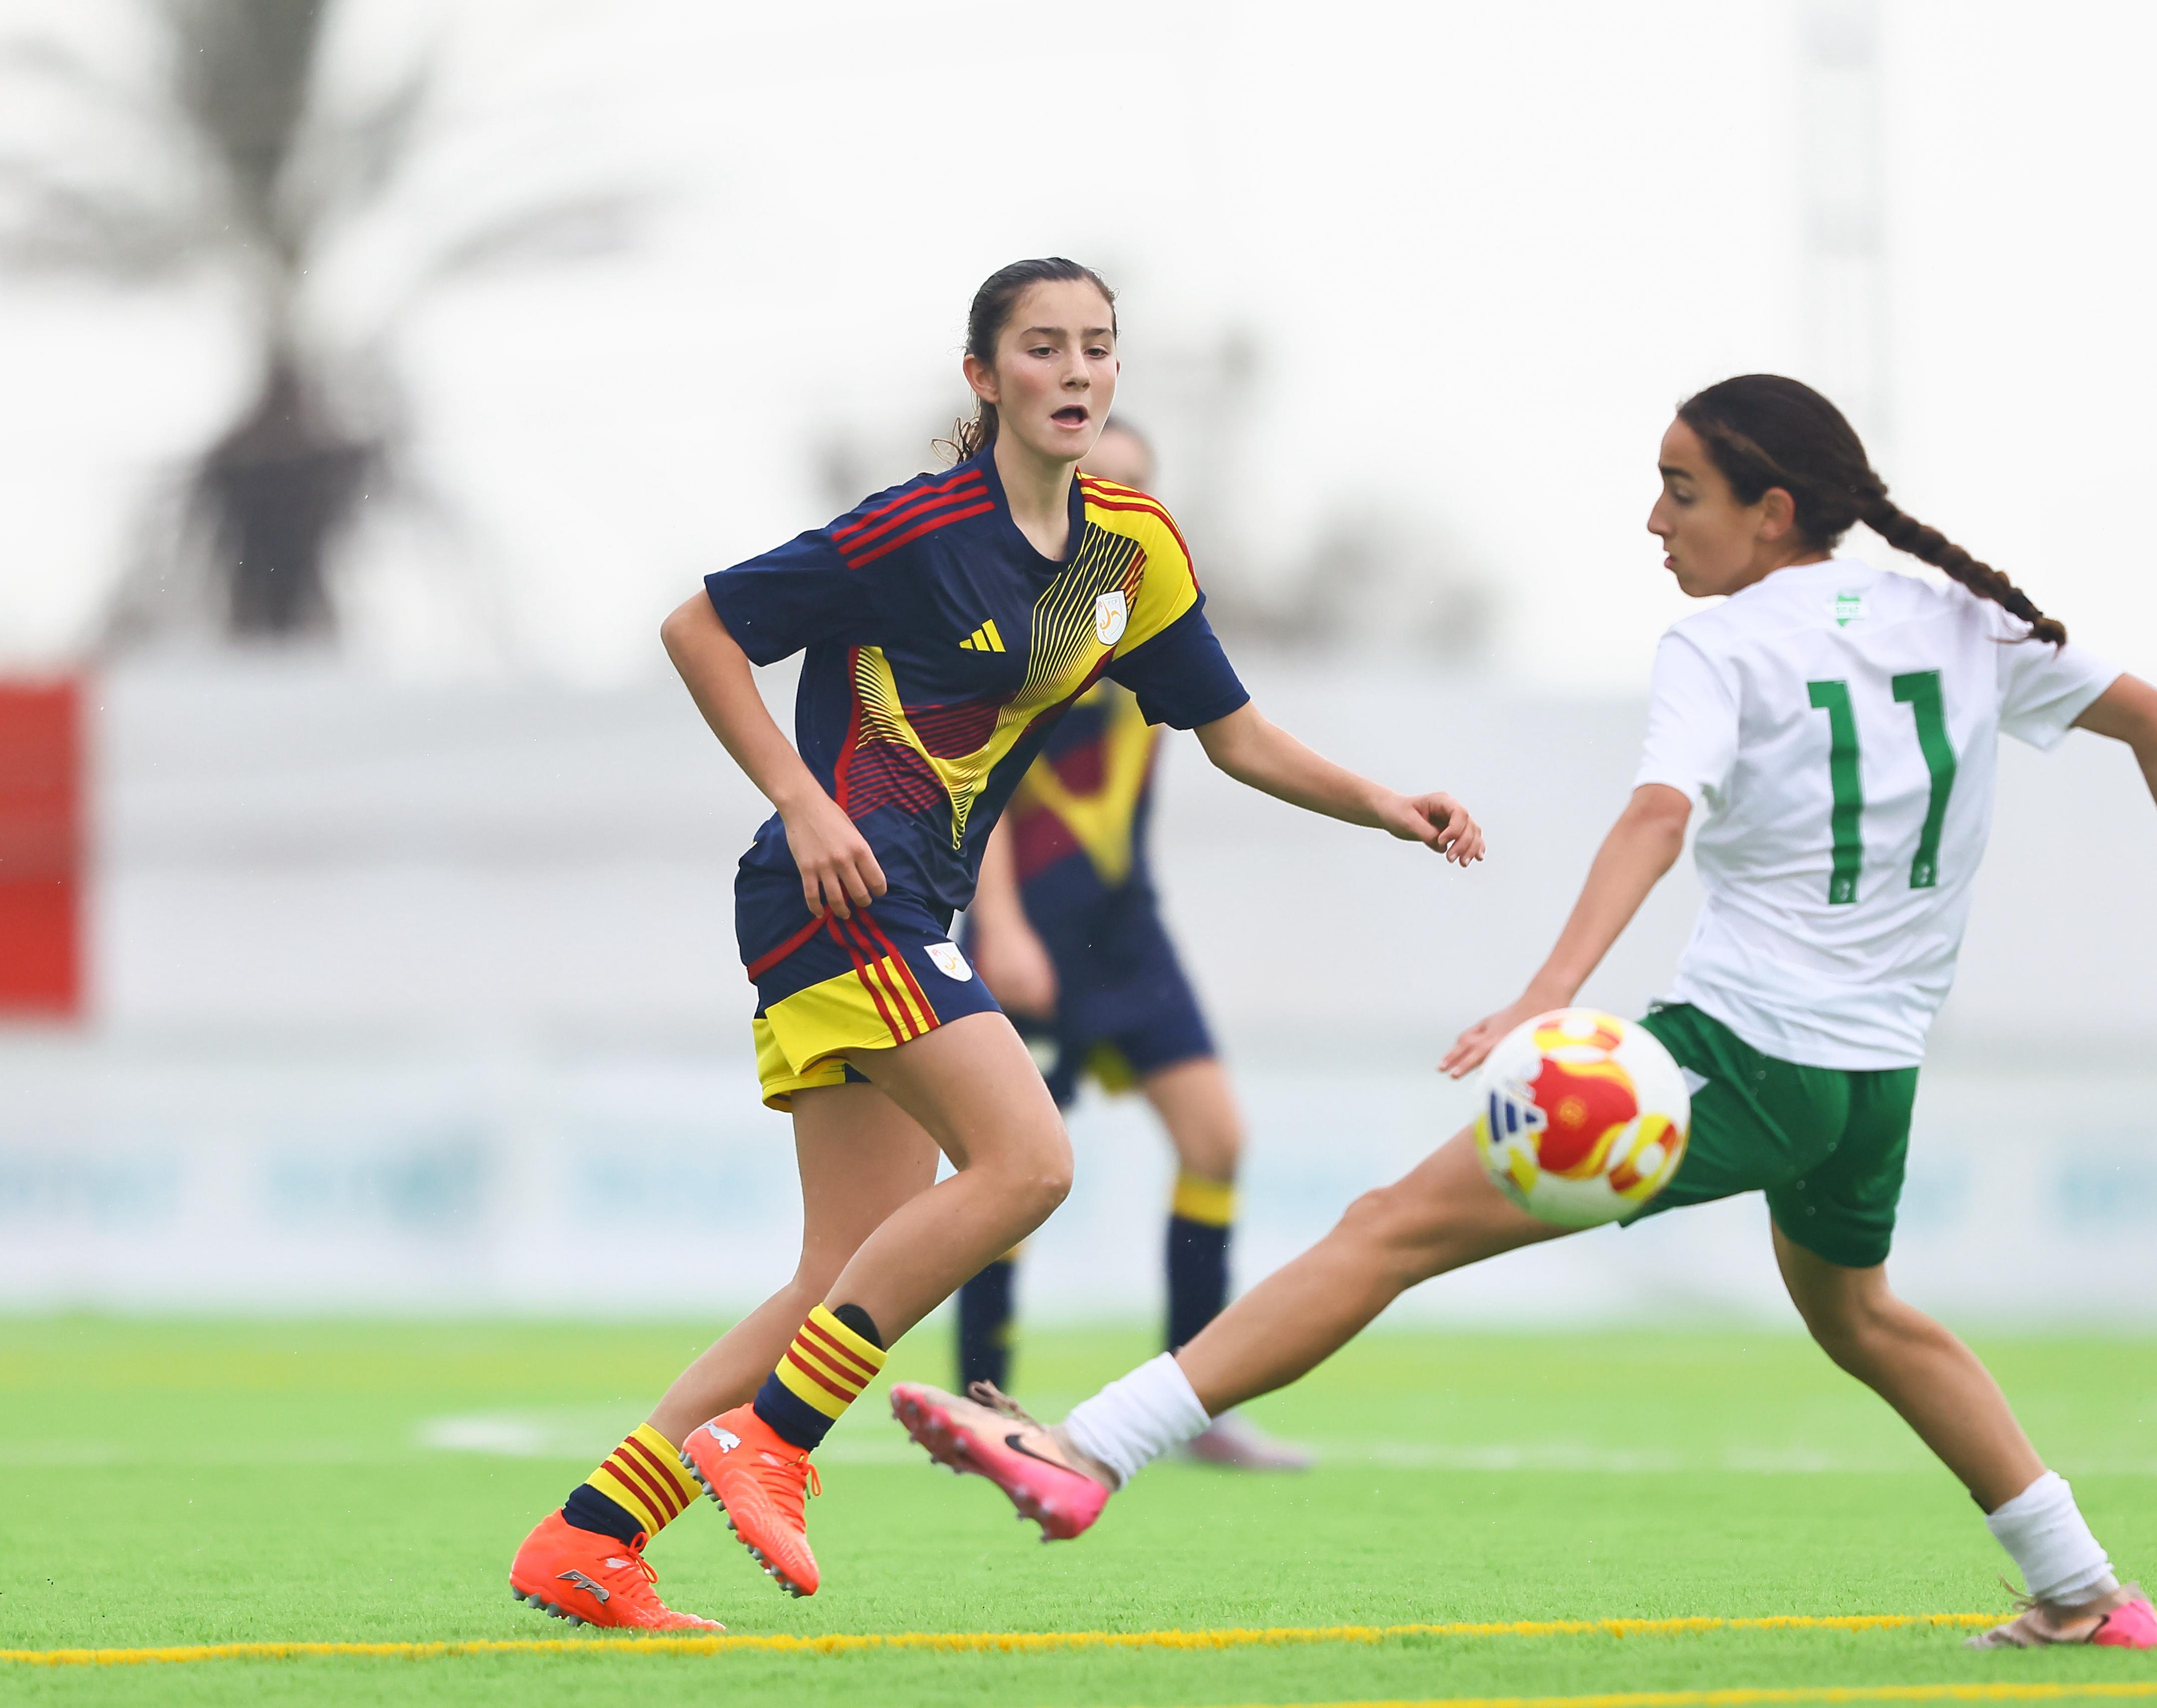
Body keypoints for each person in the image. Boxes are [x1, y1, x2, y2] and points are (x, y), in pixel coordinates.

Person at [888, 374, 2157, 1652]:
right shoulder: (1964, 619)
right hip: (1872, 1078)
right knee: (1860, 1313)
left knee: (1386, 1228)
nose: (1656, 521)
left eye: (1682, 490)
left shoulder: (1722, 643)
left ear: (1771, 511)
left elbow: (1657, 816)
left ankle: (1092, 1448)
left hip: (1737, 1055)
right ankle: (2083, 1588)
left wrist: (1547, 997)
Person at [504, 258, 1483, 1630]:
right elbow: (699, 627)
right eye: (1042, 346)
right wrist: (802, 800)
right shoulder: (916, 528)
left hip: (904, 906)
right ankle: (772, 1439)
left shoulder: (1132, 548)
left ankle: (592, 1535)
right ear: (983, 375)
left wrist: (1383, 802)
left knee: (835, 1276)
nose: (1075, 370)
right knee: (1030, 1161)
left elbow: (1237, 733)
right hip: (842, 893)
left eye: (1098, 345)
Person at [957, 419, 1311, 1472]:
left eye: (1138, 485)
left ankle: (1191, 1404)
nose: (1115, 500)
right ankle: (982, 1405)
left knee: (1216, 1140)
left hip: (1127, 931)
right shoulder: (1013, 619)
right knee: (1012, 1179)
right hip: (1031, 929)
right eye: (1097, 480)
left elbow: (1243, 738)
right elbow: (975, 783)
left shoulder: (1149, 613)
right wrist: (1001, 925)